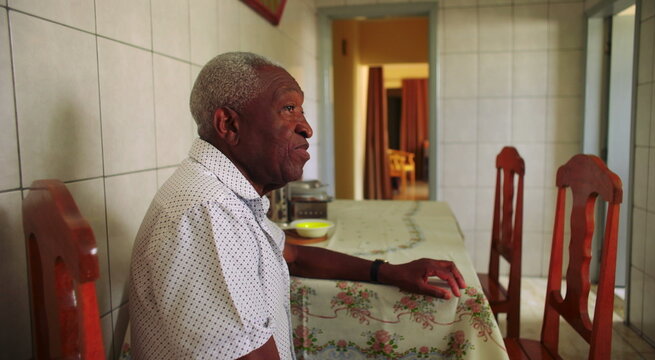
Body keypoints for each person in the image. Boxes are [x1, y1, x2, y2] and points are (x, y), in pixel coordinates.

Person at [129, 52, 466, 360]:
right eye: (288, 109)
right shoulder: (208, 212)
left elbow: (291, 253)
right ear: (229, 125)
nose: (306, 127)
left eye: (301, 111)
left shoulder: (228, 195)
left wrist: (388, 271)